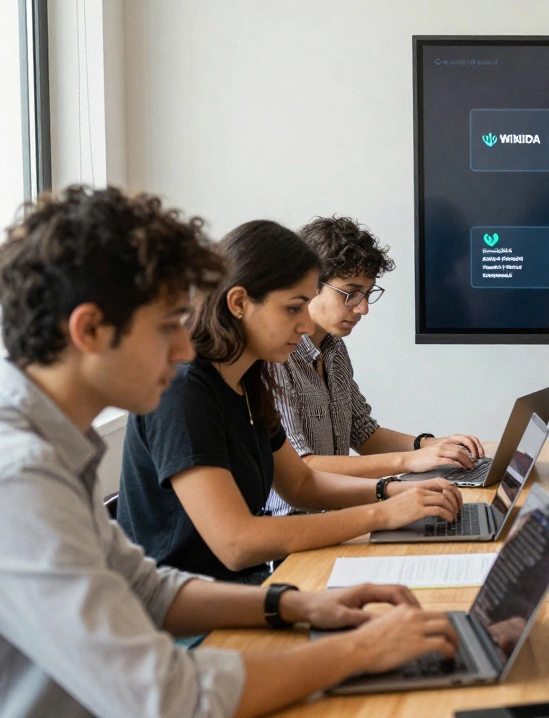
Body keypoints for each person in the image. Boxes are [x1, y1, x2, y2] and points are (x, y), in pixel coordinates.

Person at [0, 186, 458, 718]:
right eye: (167, 325)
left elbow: (146, 590)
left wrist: (297, 604)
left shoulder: (54, 449)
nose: (180, 347)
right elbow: (168, 698)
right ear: (89, 330)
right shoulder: (21, 476)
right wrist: (360, 649)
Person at [117, 219, 462, 583]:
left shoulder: (249, 378)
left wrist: (395, 490)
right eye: (294, 308)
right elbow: (237, 544)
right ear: (239, 303)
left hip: (240, 590)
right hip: (188, 613)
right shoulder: (183, 389)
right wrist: (384, 512)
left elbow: (301, 485)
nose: (304, 324)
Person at [263, 216, 483, 516]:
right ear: (309, 285)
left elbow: (363, 433)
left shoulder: (334, 349)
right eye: (350, 293)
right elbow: (302, 465)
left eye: (367, 295)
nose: (363, 308)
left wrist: (431, 446)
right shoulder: (274, 360)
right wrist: (408, 462)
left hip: (337, 515)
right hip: (292, 529)